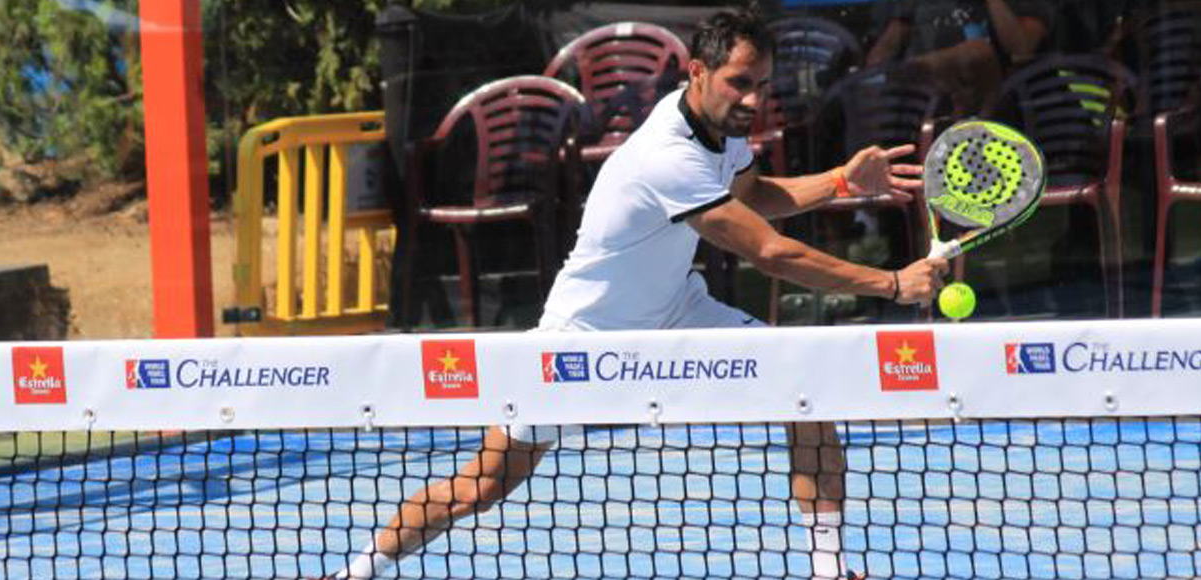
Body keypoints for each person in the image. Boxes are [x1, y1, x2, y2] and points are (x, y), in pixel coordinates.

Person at [327, 7, 947, 580]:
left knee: (804, 394)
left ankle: (829, 569)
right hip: (583, 339)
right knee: (483, 485)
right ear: (697, 71)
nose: (753, 98)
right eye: (739, 82)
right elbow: (770, 252)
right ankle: (355, 574)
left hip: (678, 310)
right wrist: (892, 284)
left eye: (761, 82)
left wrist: (840, 179)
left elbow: (754, 196)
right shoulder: (667, 157)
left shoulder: (717, 124)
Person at [864, 0, 1053, 115]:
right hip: (920, 105)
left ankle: (922, 69)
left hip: (993, 105)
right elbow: (883, 53)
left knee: (978, 51)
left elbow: (1022, 48)